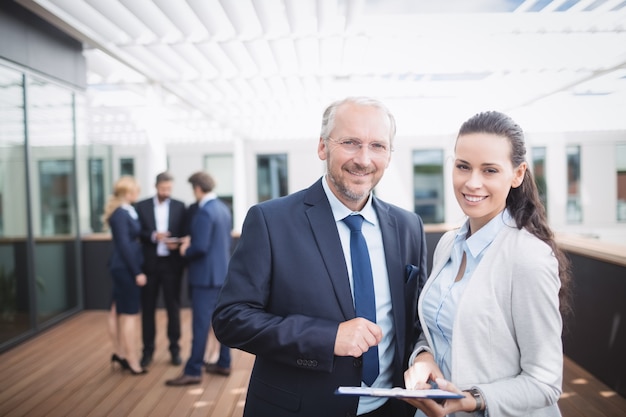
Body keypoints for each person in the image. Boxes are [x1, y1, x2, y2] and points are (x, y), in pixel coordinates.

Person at [212, 96, 428, 417]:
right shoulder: (271, 220)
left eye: (377, 146)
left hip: (392, 408)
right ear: (323, 148)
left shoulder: (408, 226)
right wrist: (327, 338)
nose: (364, 159)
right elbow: (231, 319)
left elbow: (417, 318)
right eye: (350, 142)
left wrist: (423, 355)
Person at [403, 111, 572, 417]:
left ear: (517, 174)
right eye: (463, 166)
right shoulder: (447, 245)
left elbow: (545, 383)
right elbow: (436, 332)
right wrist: (423, 357)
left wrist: (472, 399)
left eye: (490, 170)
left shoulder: (528, 258)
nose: (472, 182)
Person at [165, 171, 232, 386]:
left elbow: (200, 248)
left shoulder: (204, 212)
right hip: (221, 275)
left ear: (197, 188)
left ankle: (193, 370)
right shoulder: (223, 208)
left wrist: (185, 249)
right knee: (221, 323)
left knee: (200, 326)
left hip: (204, 278)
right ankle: (223, 362)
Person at [135, 172, 187, 367]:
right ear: (156, 186)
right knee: (147, 309)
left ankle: (175, 349)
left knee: (173, 308)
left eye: (169, 189)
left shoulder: (180, 207)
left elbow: (185, 233)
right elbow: (138, 231)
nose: (166, 192)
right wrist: (152, 235)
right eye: (163, 189)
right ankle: (147, 351)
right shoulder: (142, 206)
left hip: (172, 264)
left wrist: (177, 241)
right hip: (149, 264)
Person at [102, 175, 147, 375]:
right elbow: (123, 245)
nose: (138, 193)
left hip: (121, 266)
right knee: (130, 315)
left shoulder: (126, 210)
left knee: (114, 311)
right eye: (136, 190)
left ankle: (119, 353)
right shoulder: (121, 213)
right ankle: (131, 359)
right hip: (126, 268)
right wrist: (137, 272)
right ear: (128, 193)